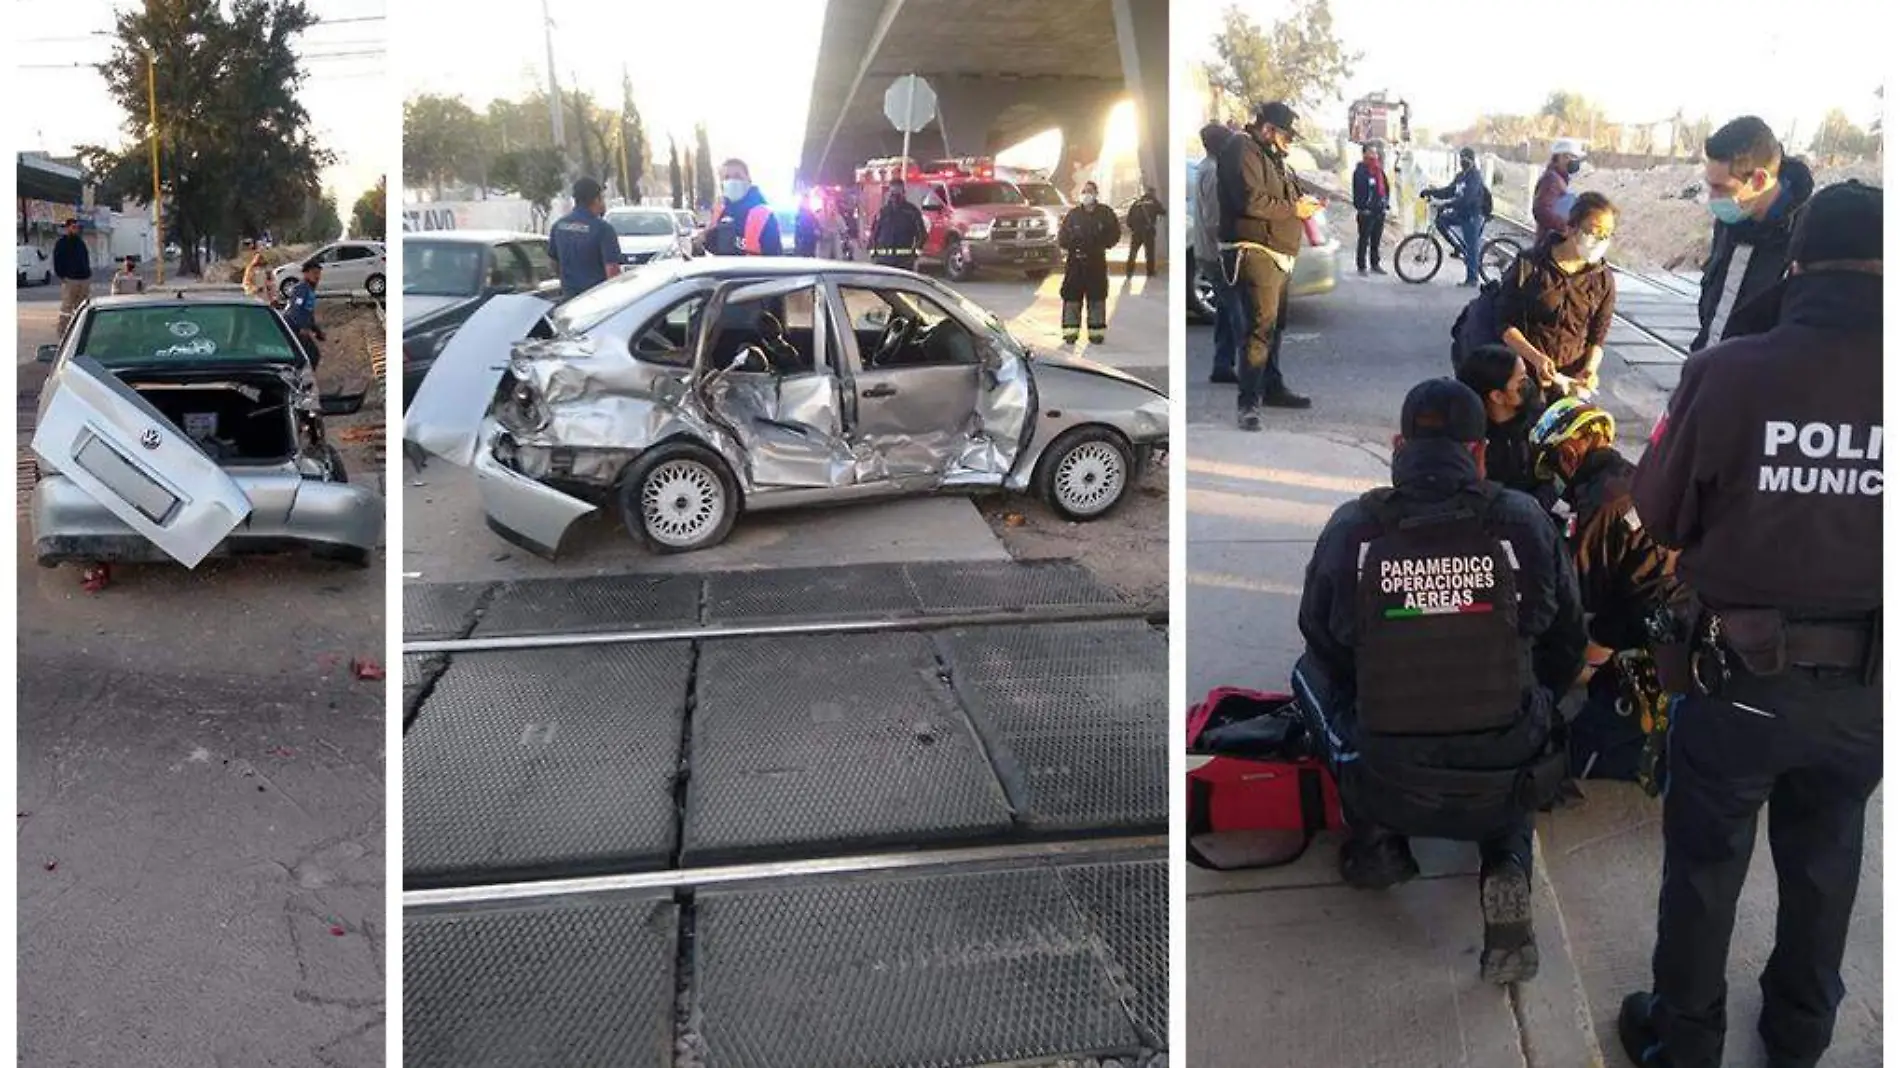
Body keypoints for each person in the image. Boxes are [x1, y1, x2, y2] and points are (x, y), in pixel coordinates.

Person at [1618, 180, 1882, 1068]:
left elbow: (1655, 514)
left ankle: (1685, 1042)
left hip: (1737, 681)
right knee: (1826, 861)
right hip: (1868, 692)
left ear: (1797, 262)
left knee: (1704, 867)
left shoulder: (1728, 372)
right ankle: (1800, 1034)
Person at [1296, 378, 1586, 985]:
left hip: (1386, 765)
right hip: (1507, 762)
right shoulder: (1522, 519)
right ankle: (1505, 860)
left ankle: (1378, 844)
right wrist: (1532, 700)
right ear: (1479, 451)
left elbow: (1321, 637)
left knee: (1307, 677)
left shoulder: (1355, 526)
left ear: (1399, 444)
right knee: (1516, 715)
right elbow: (1566, 640)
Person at [1525, 398, 1674, 781]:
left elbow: (1582, 598)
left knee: (1572, 746)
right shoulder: (1627, 477)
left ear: (1571, 453)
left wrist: (1579, 664)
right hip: (1666, 619)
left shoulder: (1600, 503)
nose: (1555, 478)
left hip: (1641, 637)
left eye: (1554, 465)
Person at [1217, 100, 1318, 426]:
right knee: (1259, 328)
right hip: (1255, 250)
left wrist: (1304, 202)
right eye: (1286, 136)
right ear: (1268, 129)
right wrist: (1294, 211)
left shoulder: (1272, 157)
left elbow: (1283, 196)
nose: (1288, 143)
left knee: (1274, 327)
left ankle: (1272, 386)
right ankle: (1248, 404)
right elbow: (1251, 201)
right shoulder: (1241, 148)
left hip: (1279, 254)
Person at [1691, 116, 1815, 352]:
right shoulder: (1729, 223)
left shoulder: (1807, 236)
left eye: (1722, 188)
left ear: (1759, 180)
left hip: (1762, 382)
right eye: (1710, 186)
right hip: (1714, 370)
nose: (1713, 199)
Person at [1496, 192, 1618, 403]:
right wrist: (1536, 358)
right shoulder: (1530, 264)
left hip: (1571, 383)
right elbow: (1504, 325)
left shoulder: (1602, 278)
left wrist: (1589, 369)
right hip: (1525, 377)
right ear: (1571, 228)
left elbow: (1598, 335)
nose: (1600, 240)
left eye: (1607, 234)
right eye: (1594, 232)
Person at [1454, 343, 1549, 504]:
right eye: (1520, 380)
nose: (1528, 383)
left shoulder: (1541, 422)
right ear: (1497, 396)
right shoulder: (1471, 444)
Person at [1195, 122, 1241, 384]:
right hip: (1216, 254)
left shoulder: (1207, 168)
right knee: (1239, 313)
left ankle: (1222, 365)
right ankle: (1249, 365)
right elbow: (1214, 221)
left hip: (1209, 251)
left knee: (1225, 310)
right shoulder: (1213, 173)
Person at [1056, 181, 1120, 345]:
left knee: (1097, 297)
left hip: (1096, 263)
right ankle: (1070, 333)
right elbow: (1062, 237)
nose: (1086, 194)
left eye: (1089, 191)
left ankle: (1096, 333)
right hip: (1075, 264)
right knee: (1071, 298)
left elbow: (1115, 234)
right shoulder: (1073, 215)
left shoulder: (1105, 213)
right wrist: (1074, 244)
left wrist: (1100, 243)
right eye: (1084, 191)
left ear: (1096, 193)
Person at [1420, 147, 1489, 286]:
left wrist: (1447, 205)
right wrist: (1431, 192)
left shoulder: (1474, 176)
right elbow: (1449, 191)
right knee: (1441, 221)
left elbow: (1468, 198)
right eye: (1461, 158)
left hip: (1472, 214)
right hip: (1461, 212)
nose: (1463, 161)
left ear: (1472, 160)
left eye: (1466, 159)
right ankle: (1457, 247)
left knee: (1472, 247)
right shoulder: (1460, 176)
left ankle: (1472, 279)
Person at [547, 176, 621, 299]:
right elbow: (612, 271)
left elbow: (553, 263)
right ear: (597, 199)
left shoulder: (558, 226)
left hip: (569, 300)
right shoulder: (603, 229)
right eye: (602, 198)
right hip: (597, 301)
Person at [703, 159, 782, 256]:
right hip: (722, 270)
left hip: (754, 270)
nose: (732, 181)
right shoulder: (719, 212)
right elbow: (710, 248)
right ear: (722, 184)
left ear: (748, 180)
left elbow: (774, 260)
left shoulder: (763, 215)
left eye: (737, 176)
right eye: (727, 178)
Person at [1533, 138, 1587, 245]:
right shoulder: (1552, 179)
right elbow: (1541, 210)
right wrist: (1564, 227)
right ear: (1563, 157)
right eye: (1574, 157)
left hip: (1551, 240)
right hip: (1549, 243)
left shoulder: (1558, 178)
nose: (1576, 161)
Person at [1350, 142, 1391, 275]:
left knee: (1376, 239)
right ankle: (1361, 266)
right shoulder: (1360, 171)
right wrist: (1362, 207)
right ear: (1365, 154)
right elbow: (1358, 192)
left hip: (1379, 210)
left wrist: (1385, 204)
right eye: (1371, 152)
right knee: (1364, 239)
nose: (1375, 155)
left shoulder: (1379, 170)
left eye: (1376, 152)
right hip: (1366, 212)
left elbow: (1385, 188)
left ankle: (1375, 264)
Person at [868, 179, 927, 271]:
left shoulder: (911, 212)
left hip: (903, 262)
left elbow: (922, 235)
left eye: (897, 192)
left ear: (903, 192)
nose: (894, 195)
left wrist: (915, 255)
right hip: (883, 261)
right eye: (892, 192)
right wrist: (873, 253)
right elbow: (874, 233)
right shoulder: (883, 211)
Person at [281, 260, 326, 370]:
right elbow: (296, 309)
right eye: (314, 273)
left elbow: (308, 313)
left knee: (308, 356)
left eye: (319, 273)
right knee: (311, 355)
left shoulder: (309, 289)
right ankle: (303, 381)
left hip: (298, 327)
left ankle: (301, 379)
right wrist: (303, 327)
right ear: (305, 274)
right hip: (293, 327)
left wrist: (317, 331)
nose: (317, 276)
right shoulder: (301, 288)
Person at [52, 218, 92, 336]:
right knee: (67, 308)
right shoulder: (61, 243)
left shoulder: (80, 242)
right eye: (73, 227)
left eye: (77, 227)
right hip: (70, 280)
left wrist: (88, 273)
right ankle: (63, 333)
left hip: (84, 279)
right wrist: (62, 276)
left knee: (82, 307)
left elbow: (86, 258)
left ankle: (81, 332)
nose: (75, 229)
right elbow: (57, 261)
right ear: (67, 228)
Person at [1124, 186, 1163, 279]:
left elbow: (1128, 219)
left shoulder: (1136, 203)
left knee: (1133, 252)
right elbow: (1163, 211)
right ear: (1153, 193)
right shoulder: (1154, 202)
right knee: (1149, 253)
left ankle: (1129, 272)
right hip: (1148, 231)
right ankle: (1150, 272)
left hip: (1136, 232)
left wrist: (1133, 228)